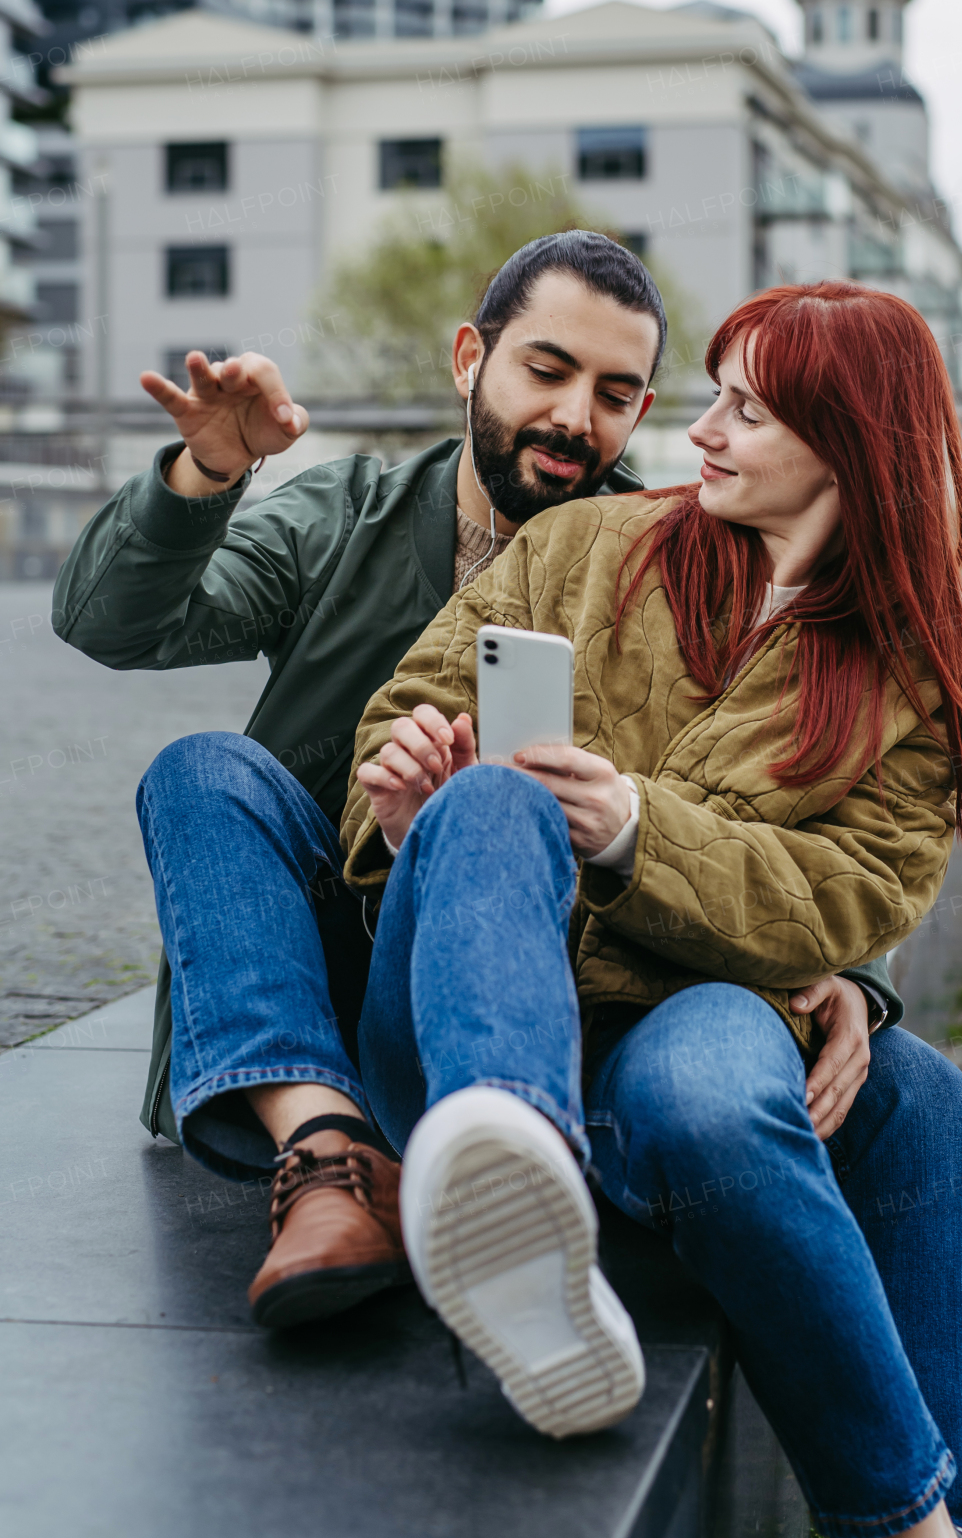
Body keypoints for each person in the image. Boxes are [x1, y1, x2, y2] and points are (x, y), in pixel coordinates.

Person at [54, 233, 899, 1331]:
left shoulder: (677, 550)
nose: (572, 418)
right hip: (330, 964)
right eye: (544, 371)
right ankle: (327, 1153)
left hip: (550, 997)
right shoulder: (339, 519)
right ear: (469, 360)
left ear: (640, 414)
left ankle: (490, 1152)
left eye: (613, 393)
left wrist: (854, 977)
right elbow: (112, 622)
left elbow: (796, 759)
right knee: (202, 772)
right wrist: (206, 473)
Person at [336, 281, 962, 1538]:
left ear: (845, 440)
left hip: (676, 1022)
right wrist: (408, 795)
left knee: (909, 1101)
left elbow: (856, 893)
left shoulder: (904, 668)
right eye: (712, 399)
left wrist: (635, 829)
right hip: (471, 1014)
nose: (697, 432)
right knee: (493, 806)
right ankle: (503, 1172)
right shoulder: (580, 547)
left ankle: (932, 1520)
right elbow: (389, 723)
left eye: (743, 410)